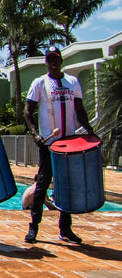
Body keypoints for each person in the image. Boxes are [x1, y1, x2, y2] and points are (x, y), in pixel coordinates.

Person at [24, 47, 94, 244]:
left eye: (56, 59)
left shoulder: (72, 82)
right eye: (50, 60)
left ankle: (65, 229)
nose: (53, 63)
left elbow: (80, 110)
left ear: (61, 61)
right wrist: (35, 134)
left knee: (67, 186)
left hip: (69, 144)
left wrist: (90, 131)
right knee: (42, 186)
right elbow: (28, 111)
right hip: (49, 145)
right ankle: (34, 227)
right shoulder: (39, 83)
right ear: (46, 62)